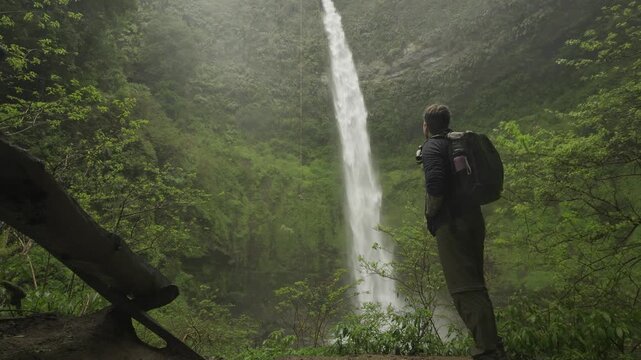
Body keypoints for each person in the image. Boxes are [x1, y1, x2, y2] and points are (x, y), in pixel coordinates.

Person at [420, 104, 507, 360]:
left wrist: (431, 215)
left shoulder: (432, 147)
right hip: (472, 219)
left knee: (464, 288)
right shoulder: (458, 143)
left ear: (426, 125)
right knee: (475, 284)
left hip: (453, 223)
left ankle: (487, 350)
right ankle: (493, 346)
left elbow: (435, 186)